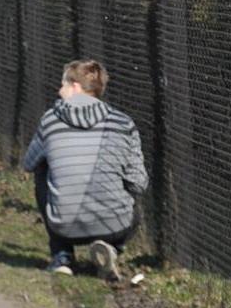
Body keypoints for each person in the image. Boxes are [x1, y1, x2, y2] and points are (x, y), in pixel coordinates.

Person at [22, 59, 148, 279]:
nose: (59, 91)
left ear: (75, 87)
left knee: (42, 168)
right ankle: (111, 247)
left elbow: (29, 164)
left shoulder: (50, 120)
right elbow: (139, 183)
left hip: (64, 225)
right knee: (130, 183)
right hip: (116, 225)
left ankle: (62, 255)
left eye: (63, 85)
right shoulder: (123, 123)